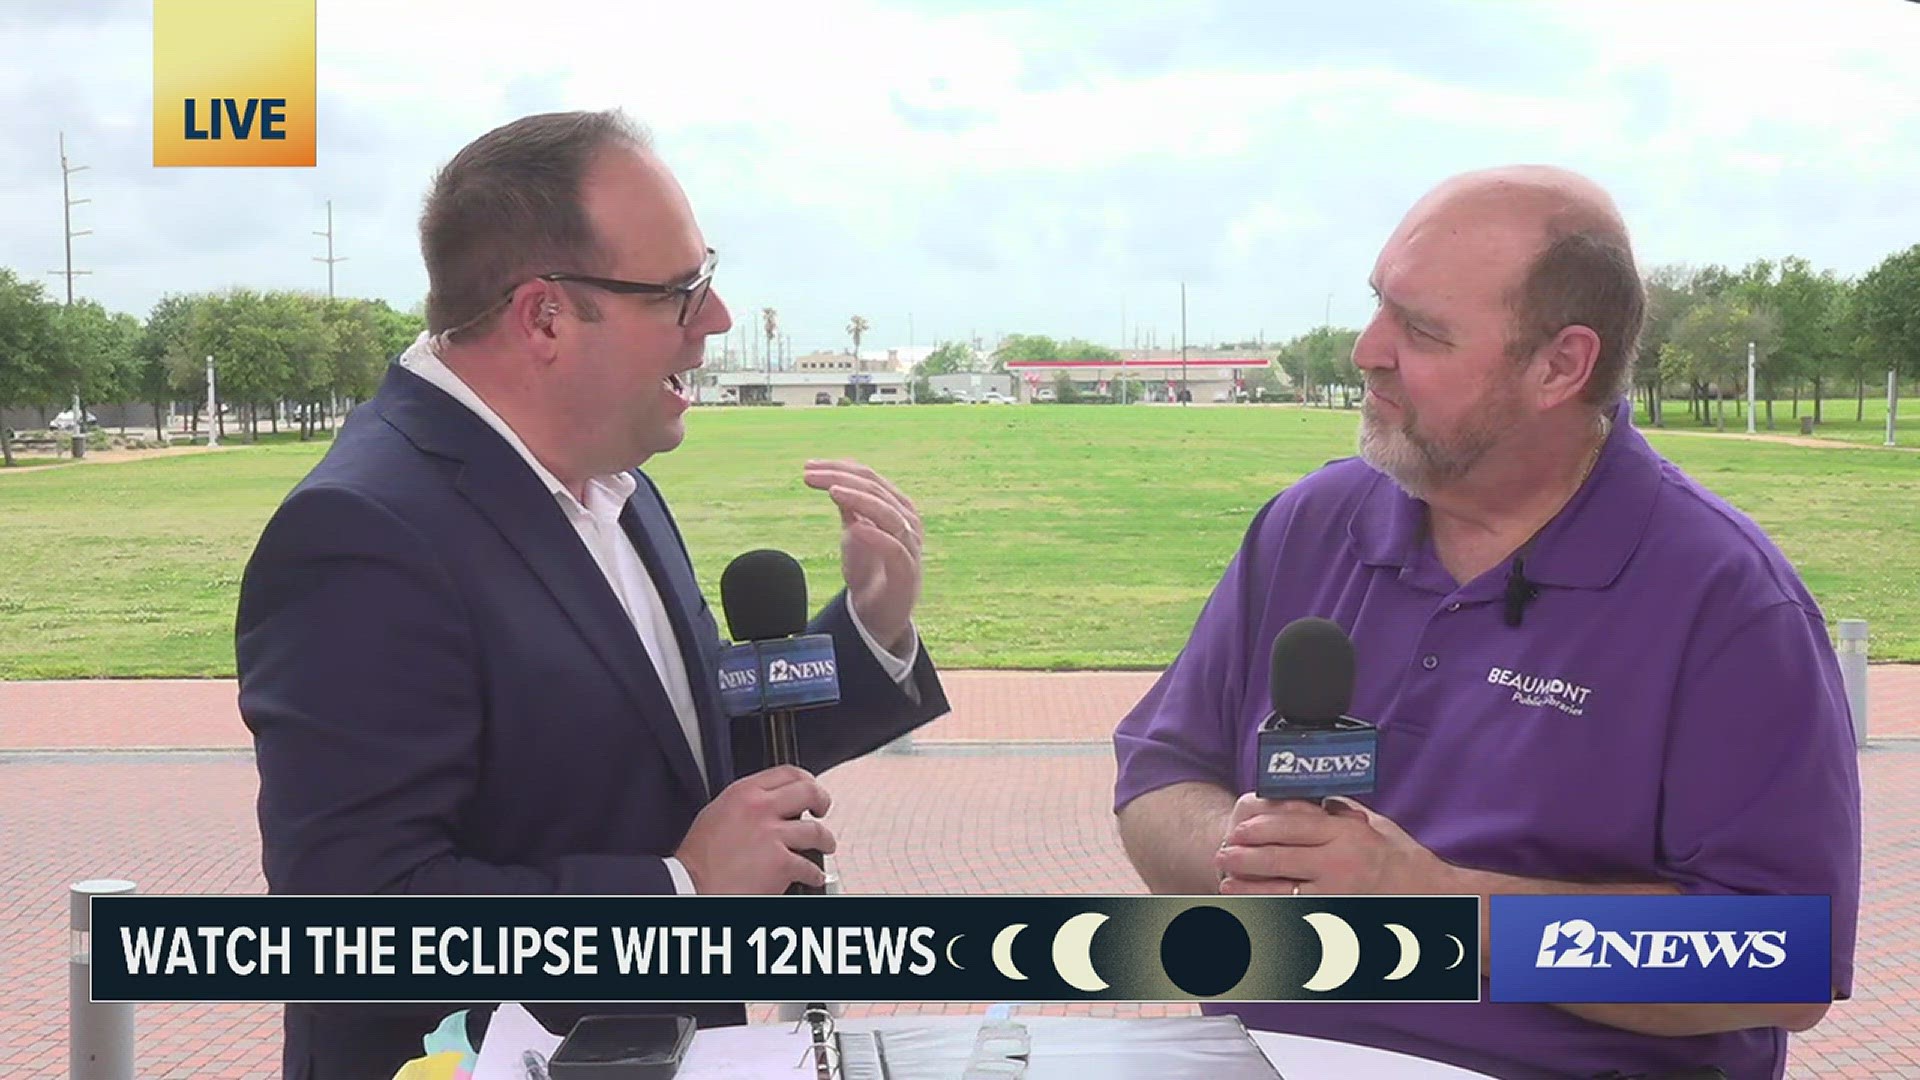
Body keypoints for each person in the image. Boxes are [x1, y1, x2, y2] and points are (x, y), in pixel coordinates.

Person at [234, 109, 950, 1079]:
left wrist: (867, 629)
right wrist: (679, 893)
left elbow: (679, 760)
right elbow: (355, 917)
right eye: (681, 292)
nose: (720, 320)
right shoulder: (364, 536)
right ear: (545, 318)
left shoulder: (614, 482)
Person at [1111, 165, 1860, 1080]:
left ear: (1559, 366)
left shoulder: (1727, 601)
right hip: (1257, 1055)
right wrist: (1254, 862)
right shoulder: (1309, 525)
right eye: (1379, 304)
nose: (1366, 350)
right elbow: (1160, 774)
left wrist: (1441, 909)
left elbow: (1781, 966)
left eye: (1421, 329)